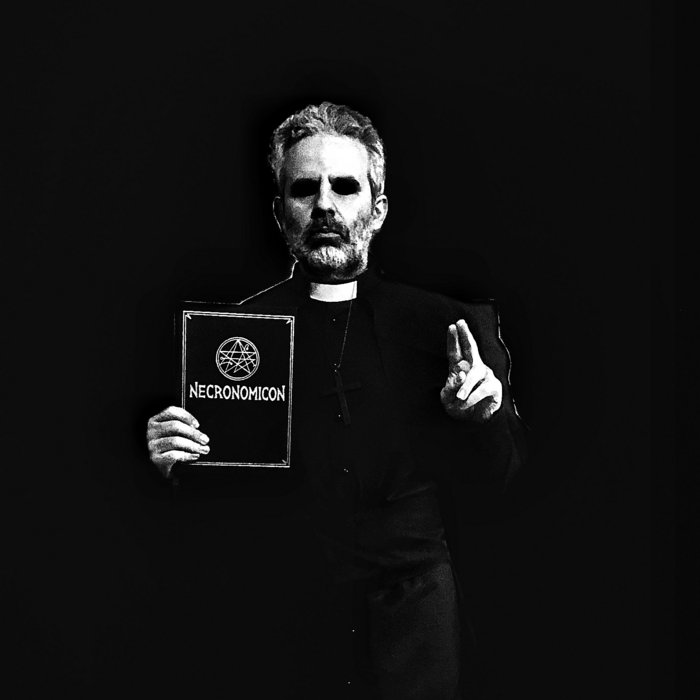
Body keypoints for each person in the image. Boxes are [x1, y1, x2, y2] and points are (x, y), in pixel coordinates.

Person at [146, 102, 525, 699]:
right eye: (304, 189)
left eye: (345, 187)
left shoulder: (448, 328)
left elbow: (503, 482)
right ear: (280, 213)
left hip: (417, 627)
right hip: (282, 627)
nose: (324, 205)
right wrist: (169, 462)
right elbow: (209, 512)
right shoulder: (231, 336)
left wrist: (486, 417)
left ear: (377, 209)